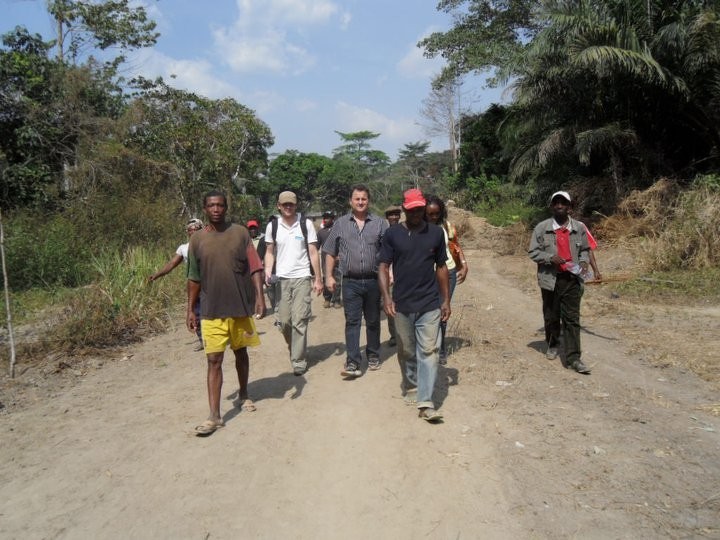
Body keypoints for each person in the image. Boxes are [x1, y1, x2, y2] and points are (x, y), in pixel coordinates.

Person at [186, 191, 266, 436]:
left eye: (220, 205)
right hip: (211, 310)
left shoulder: (240, 233)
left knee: (241, 353)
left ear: (226, 207)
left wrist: (260, 297)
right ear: (204, 208)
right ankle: (214, 415)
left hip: (239, 307)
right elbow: (193, 278)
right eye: (211, 205)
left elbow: (255, 267)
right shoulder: (197, 239)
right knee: (213, 360)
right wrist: (190, 309)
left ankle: (244, 394)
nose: (216, 209)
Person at [379, 188, 450, 423]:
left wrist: (445, 299)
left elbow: (441, 267)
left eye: (420, 209)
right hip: (402, 304)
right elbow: (383, 266)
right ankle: (410, 384)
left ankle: (426, 402)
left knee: (429, 352)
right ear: (404, 209)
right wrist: (387, 297)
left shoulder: (436, 233)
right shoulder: (392, 234)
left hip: (429, 303)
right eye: (412, 210)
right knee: (407, 350)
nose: (417, 214)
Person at [323, 185, 388, 377]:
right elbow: (330, 251)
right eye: (357, 199)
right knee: (352, 321)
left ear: (369, 201)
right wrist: (329, 276)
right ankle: (353, 361)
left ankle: (373, 354)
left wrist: (390, 272)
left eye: (364, 199)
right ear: (350, 201)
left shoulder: (380, 223)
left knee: (373, 320)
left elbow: (388, 252)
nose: (360, 202)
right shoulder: (340, 224)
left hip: (374, 280)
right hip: (350, 282)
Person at [528, 190, 592, 374]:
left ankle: (574, 358)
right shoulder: (542, 228)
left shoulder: (579, 228)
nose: (559, 206)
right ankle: (553, 343)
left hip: (572, 279)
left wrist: (583, 262)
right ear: (551, 206)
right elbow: (533, 252)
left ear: (569, 207)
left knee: (572, 319)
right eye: (556, 202)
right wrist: (550, 258)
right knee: (551, 316)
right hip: (550, 279)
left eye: (563, 203)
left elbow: (585, 249)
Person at [263, 191, 323, 376]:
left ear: (296, 205)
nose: (288, 207)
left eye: (291, 204)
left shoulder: (305, 224)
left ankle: (298, 360)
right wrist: (267, 270)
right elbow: (269, 252)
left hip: (302, 277)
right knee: (284, 322)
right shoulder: (273, 226)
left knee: (299, 320)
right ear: (279, 206)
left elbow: (313, 253)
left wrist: (318, 278)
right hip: (281, 279)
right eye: (284, 204)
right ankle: (295, 347)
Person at [424, 195, 469, 364]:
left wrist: (464, 264)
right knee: (427, 312)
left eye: (437, 213)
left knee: (443, 309)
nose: (433, 217)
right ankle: (427, 347)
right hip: (427, 274)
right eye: (430, 214)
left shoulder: (446, 226)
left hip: (448, 272)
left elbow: (455, 245)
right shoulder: (419, 228)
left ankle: (441, 349)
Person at [148, 217, 204, 349]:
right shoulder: (184, 248)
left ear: (202, 230)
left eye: (196, 229)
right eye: (190, 230)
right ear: (187, 232)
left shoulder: (210, 244)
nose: (193, 232)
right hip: (195, 284)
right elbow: (172, 264)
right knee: (196, 312)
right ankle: (203, 340)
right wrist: (156, 275)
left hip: (212, 283)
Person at [383, 205, 402, 347]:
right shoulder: (383, 233)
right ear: (387, 217)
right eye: (391, 215)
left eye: (396, 214)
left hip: (404, 276)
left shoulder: (405, 231)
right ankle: (394, 335)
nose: (394, 217)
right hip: (389, 276)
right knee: (390, 306)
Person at [317, 211, 341, 308]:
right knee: (326, 279)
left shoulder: (338, 231)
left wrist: (340, 254)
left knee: (337, 281)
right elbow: (316, 247)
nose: (325, 220)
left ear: (332, 219)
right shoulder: (321, 232)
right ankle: (327, 299)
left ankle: (337, 300)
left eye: (328, 218)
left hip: (337, 261)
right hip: (325, 261)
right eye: (324, 218)